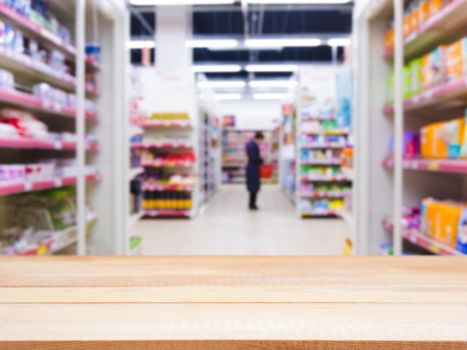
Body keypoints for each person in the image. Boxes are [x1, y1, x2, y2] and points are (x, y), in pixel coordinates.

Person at [246, 131, 264, 210]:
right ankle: (252, 205)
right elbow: (254, 158)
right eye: (261, 140)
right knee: (254, 187)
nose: (261, 142)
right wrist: (261, 160)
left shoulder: (251, 144)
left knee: (253, 187)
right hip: (253, 168)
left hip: (251, 167)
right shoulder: (253, 145)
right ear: (258, 138)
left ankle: (252, 204)